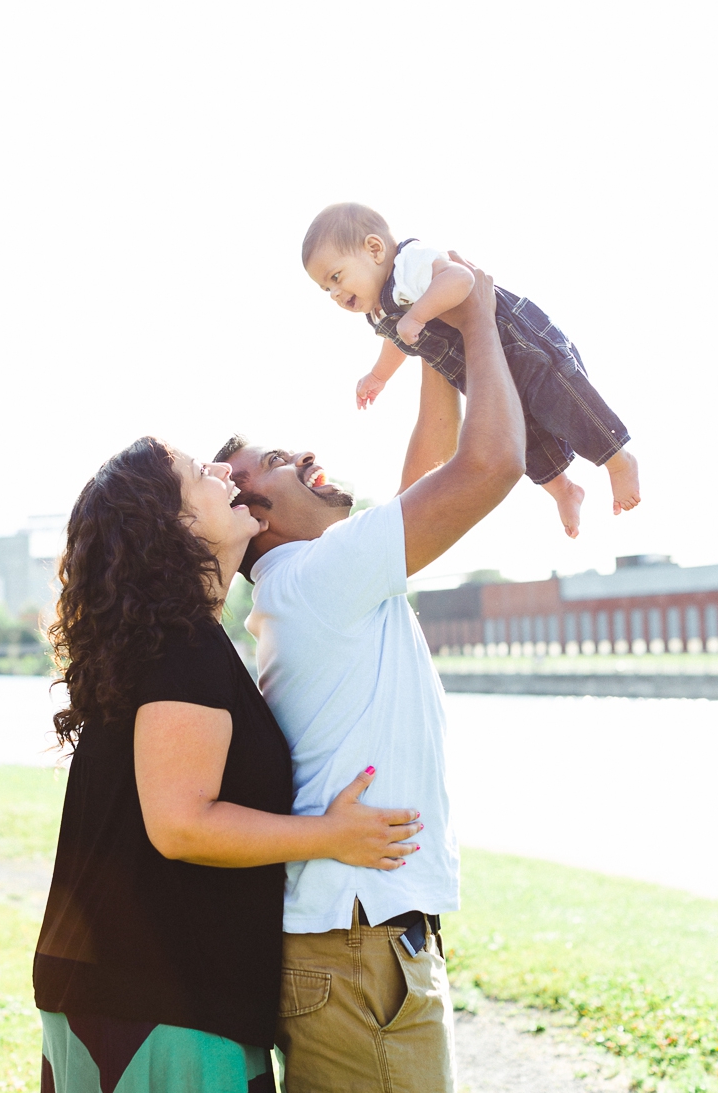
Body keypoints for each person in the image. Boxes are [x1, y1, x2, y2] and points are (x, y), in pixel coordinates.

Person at [213, 260, 526, 1093]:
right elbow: (489, 464)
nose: (305, 453)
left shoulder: (310, 582)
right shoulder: (322, 578)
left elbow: (425, 480)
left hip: (353, 941)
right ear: (257, 519)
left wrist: (429, 337)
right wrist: (482, 316)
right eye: (276, 460)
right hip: (360, 946)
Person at [33, 436, 422, 1093]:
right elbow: (181, 825)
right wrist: (331, 835)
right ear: (177, 526)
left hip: (137, 995)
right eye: (198, 473)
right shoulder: (182, 647)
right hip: (156, 1004)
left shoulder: (174, 640)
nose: (221, 472)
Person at [302, 201, 641, 539]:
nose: (334, 293)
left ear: (374, 249)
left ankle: (618, 459)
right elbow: (397, 339)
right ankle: (563, 488)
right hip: (479, 368)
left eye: (336, 277)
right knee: (520, 434)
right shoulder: (378, 309)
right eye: (325, 288)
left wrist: (418, 315)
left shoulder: (408, 264)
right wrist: (379, 375)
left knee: (562, 400)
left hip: (516, 342)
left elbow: (460, 278)